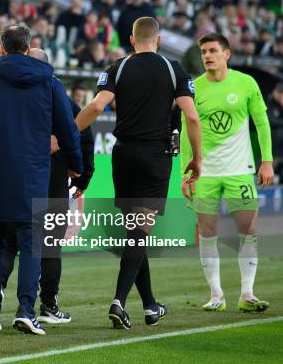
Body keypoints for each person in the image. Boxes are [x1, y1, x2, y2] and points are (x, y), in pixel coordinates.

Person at [75, 17, 202, 329]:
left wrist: (67, 135)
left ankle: (149, 306)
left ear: (132, 40)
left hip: (124, 155)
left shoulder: (117, 67)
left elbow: (95, 107)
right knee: (137, 234)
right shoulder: (174, 70)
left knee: (135, 233)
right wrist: (197, 158)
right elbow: (192, 117)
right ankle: (118, 301)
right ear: (157, 40)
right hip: (156, 157)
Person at [0, 25, 83, 335]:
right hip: (34, 174)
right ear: (28, 47)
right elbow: (68, 128)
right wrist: (76, 165)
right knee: (31, 246)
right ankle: (26, 310)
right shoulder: (49, 82)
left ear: (1, 48)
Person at [0, 48, 96, 324]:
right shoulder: (63, 100)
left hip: (16, 180)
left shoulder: (13, 98)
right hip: (53, 181)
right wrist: (82, 176)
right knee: (49, 246)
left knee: (10, 241)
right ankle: (49, 305)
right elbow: (84, 138)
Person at [181, 33, 274, 313]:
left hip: (240, 171)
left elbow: (262, 122)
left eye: (212, 51)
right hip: (205, 173)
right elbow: (187, 133)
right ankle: (216, 295)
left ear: (227, 54)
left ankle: (247, 294)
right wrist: (186, 173)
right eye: (203, 52)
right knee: (207, 233)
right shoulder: (193, 88)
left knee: (249, 230)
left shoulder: (246, 83)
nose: (207, 56)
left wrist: (266, 161)